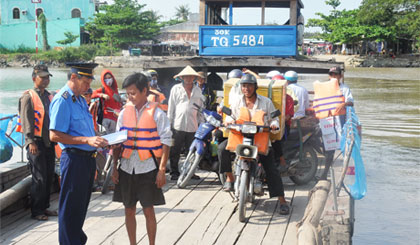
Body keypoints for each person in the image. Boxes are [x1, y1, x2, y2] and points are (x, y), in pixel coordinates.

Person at [49, 62, 109, 245]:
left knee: (81, 206)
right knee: (70, 208)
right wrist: (87, 140)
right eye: (86, 81)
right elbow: (54, 135)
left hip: (86, 160)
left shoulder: (80, 99)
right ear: (73, 77)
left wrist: (97, 137)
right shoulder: (63, 100)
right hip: (74, 159)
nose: (89, 85)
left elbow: (83, 130)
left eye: (90, 80)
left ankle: (76, 241)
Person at [111, 72, 171, 245]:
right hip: (127, 167)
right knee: (128, 209)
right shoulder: (124, 113)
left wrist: (161, 170)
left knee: (148, 210)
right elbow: (117, 143)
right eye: (127, 93)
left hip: (148, 168)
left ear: (145, 91)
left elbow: (166, 142)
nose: (130, 97)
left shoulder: (158, 114)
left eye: (133, 93)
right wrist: (114, 168)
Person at [218, 74, 290, 215]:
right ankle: (230, 178)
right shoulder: (237, 101)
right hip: (240, 136)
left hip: (260, 138)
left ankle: (282, 200)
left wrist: (274, 125)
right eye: (244, 86)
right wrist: (227, 121)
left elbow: (273, 118)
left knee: (271, 168)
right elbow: (230, 116)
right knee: (221, 149)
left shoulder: (266, 102)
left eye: (249, 85)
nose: (247, 88)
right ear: (241, 88)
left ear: (255, 87)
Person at [17, 64, 57, 221]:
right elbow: (26, 121)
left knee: (48, 175)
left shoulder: (48, 96)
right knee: (39, 177)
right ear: (34, 78)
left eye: (47, 77)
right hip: (36, 143)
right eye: (43, 77)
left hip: (48, 142)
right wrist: (30, 141)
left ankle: (45, 206)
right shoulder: (28, 96)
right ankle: (37, 210)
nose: (46, 80)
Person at [167, 65, 204, 180]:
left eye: (190, 77)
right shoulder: (176, 89)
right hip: (178, 124)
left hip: (193, 125)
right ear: (182, 78)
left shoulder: (198, 90)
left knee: (191, 150)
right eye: (186, 77)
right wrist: (169, 123)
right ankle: (174, 172)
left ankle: (190, 172)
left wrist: (201, 124)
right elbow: (171, 107)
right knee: (175, 150)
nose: (188, 79)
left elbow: (200, 109)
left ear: (194, 78)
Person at [319, 66, 354, 180]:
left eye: (336, 74)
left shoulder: (344, 89)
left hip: (340, 123)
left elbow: (350, 102)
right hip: (327, 122)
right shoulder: (325, 88)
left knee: (342, 148)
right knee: (328, 149)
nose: (333, 77)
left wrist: (343, 104)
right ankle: (325, 174)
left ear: (340, 76)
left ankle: (345, 174)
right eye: (331, 75)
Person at [270, 74, 294, 172]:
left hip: (284, 126)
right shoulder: (268, 97)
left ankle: (282, 160)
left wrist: (278, 122)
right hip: (269, 123)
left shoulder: (288, 99)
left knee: (276, 140)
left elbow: (288, 116)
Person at [92, 69, 122, 134]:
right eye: (105, 78)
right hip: (107, 118)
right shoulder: (103, 89)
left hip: (116, 118)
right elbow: (91, 94)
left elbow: (119, 102)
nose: (108, 80)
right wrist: (101, 95)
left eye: (109, 78)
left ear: (112, 78)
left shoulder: (115, 90)